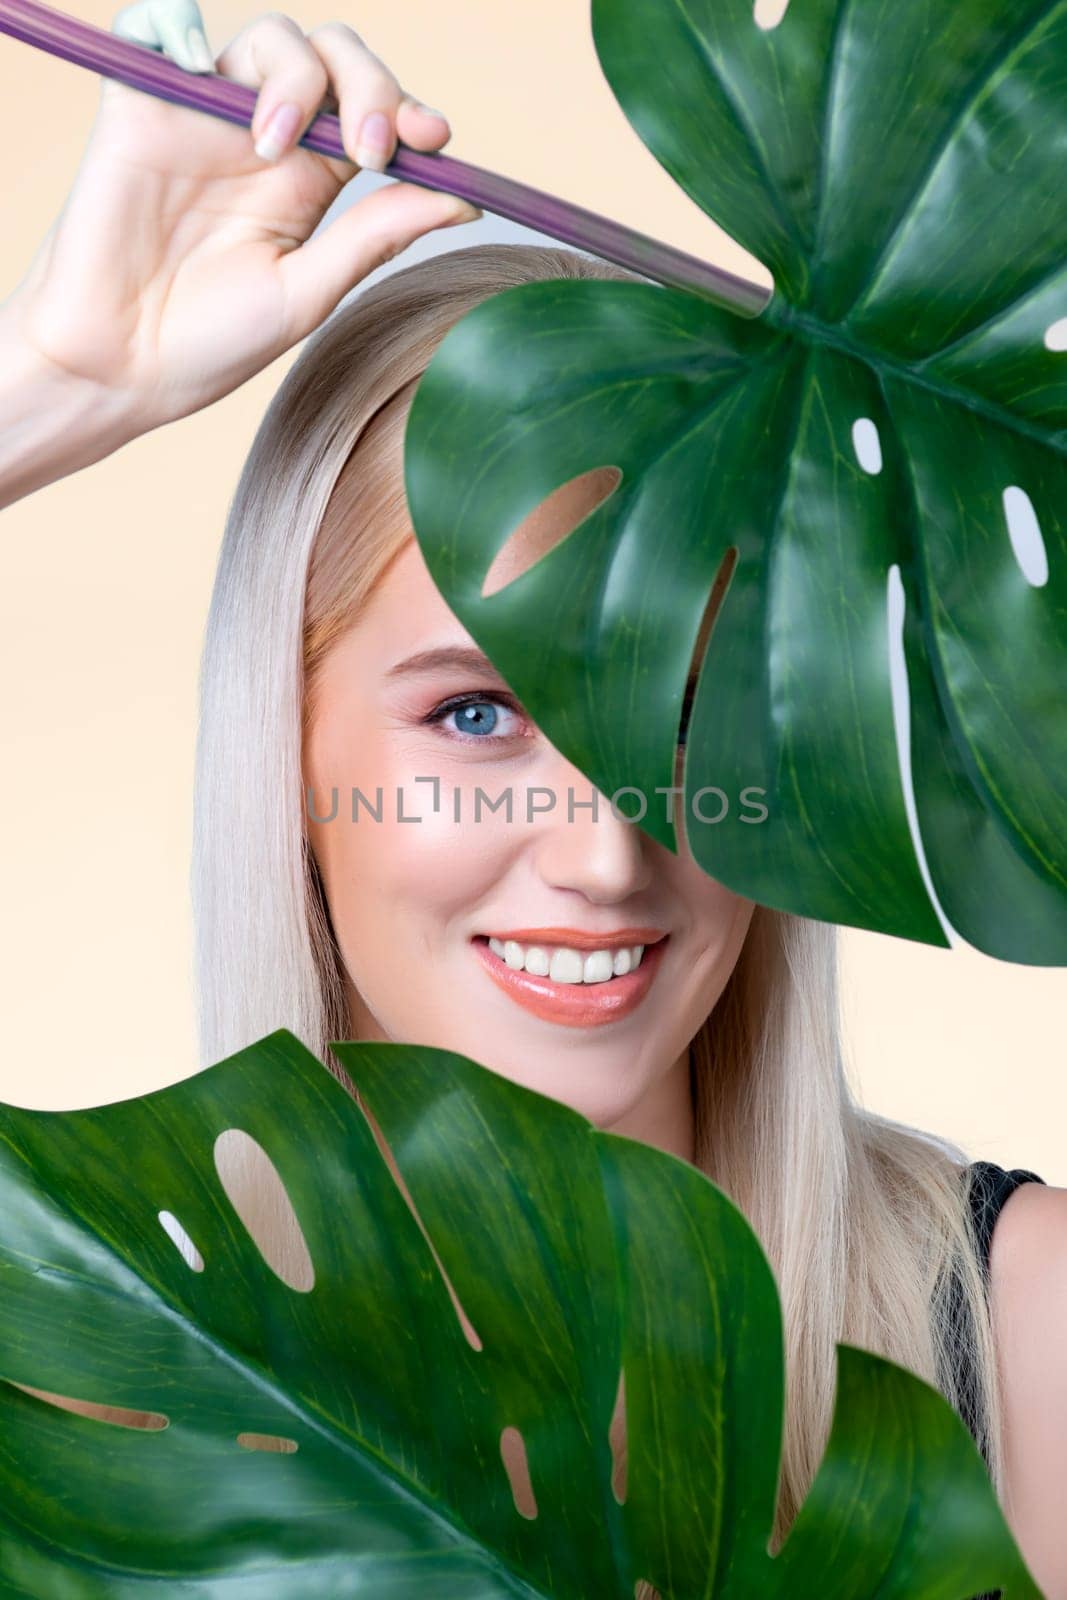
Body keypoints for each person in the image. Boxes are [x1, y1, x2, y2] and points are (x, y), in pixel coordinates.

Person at [1, 3, 1064, 1592]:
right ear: (288, 750)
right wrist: (52, 392)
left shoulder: (1016, 1328)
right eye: (479, 712)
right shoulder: (111, 1373)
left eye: (694, 707)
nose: (608, 852)